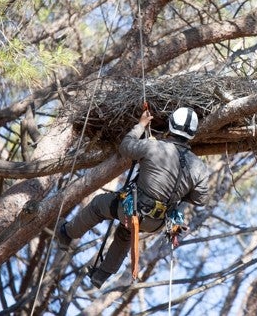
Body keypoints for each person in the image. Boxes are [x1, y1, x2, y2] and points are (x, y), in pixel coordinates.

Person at [56, 107, 210, 288]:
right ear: (192, 133)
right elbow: (201, 199)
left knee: (99, 205)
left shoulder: (154, 146)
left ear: (171, 125)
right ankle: (101, 275)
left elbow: (126, 146)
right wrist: (181, 192)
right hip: (157, 222)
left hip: (132, 210)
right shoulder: (199, 167)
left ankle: (67, 234)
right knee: (126, 232)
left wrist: (140, 125)